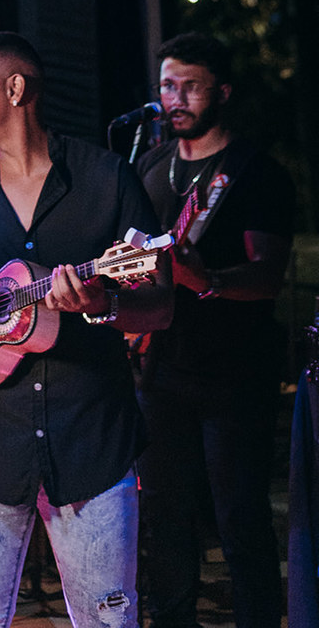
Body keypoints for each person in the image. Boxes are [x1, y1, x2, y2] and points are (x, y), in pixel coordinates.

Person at [0, 32, 172, 628]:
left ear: (15, 88)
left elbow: (159, 305)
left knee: (109, 623)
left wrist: (103, 305)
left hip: (91, 446)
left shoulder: (107, 179)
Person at [135, 31, 294, 628]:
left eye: (191, 86)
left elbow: (267, 276)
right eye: (167, 86)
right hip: (163, 369)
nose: (175, 98)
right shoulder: (151, 169)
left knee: (239, 518)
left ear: (221, 92)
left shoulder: (257, 173)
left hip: (236, 372)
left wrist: (207, 280)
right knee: (166, 518)